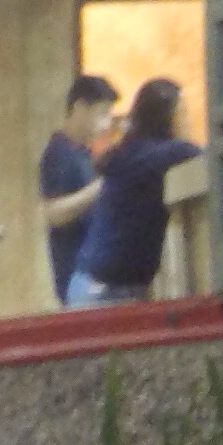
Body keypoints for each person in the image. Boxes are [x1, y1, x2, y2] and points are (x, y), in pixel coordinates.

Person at [66, 78, 201, 307]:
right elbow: (207, 157)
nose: (188, 120)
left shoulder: (133, 151)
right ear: (168, 116)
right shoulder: (159, 154)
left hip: (94, 284)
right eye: (183, 113)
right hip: (106, 291)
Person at [37, 75, 117, 306]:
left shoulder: (83, 154)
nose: (106, 124)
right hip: (77, 277)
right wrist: (99, 189)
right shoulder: (59, 153)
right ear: (80, 108)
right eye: (102, 113)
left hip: (92, 273)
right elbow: (53, 213)